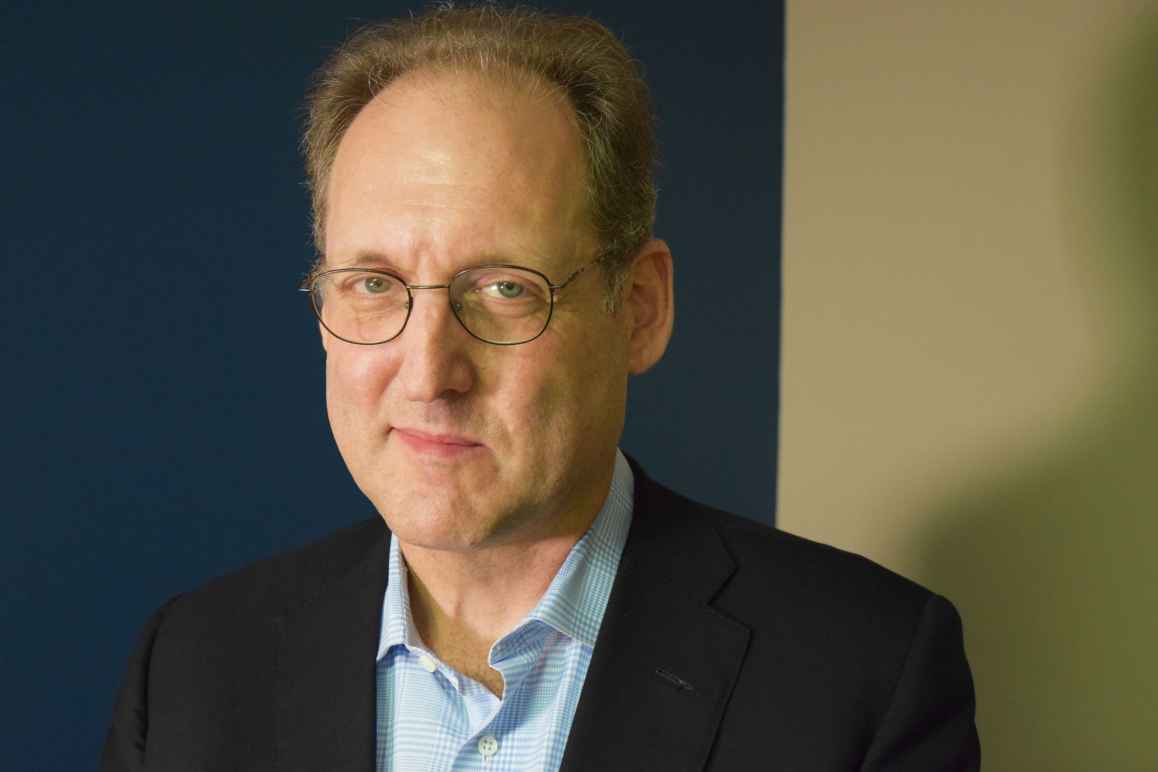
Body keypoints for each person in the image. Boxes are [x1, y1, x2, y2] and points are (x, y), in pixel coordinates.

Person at [102, 6, 980, 771]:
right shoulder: (191, 669)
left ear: (639, 309)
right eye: (373, 285)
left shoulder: (862, 675)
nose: (429, 373)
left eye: (504, 288)